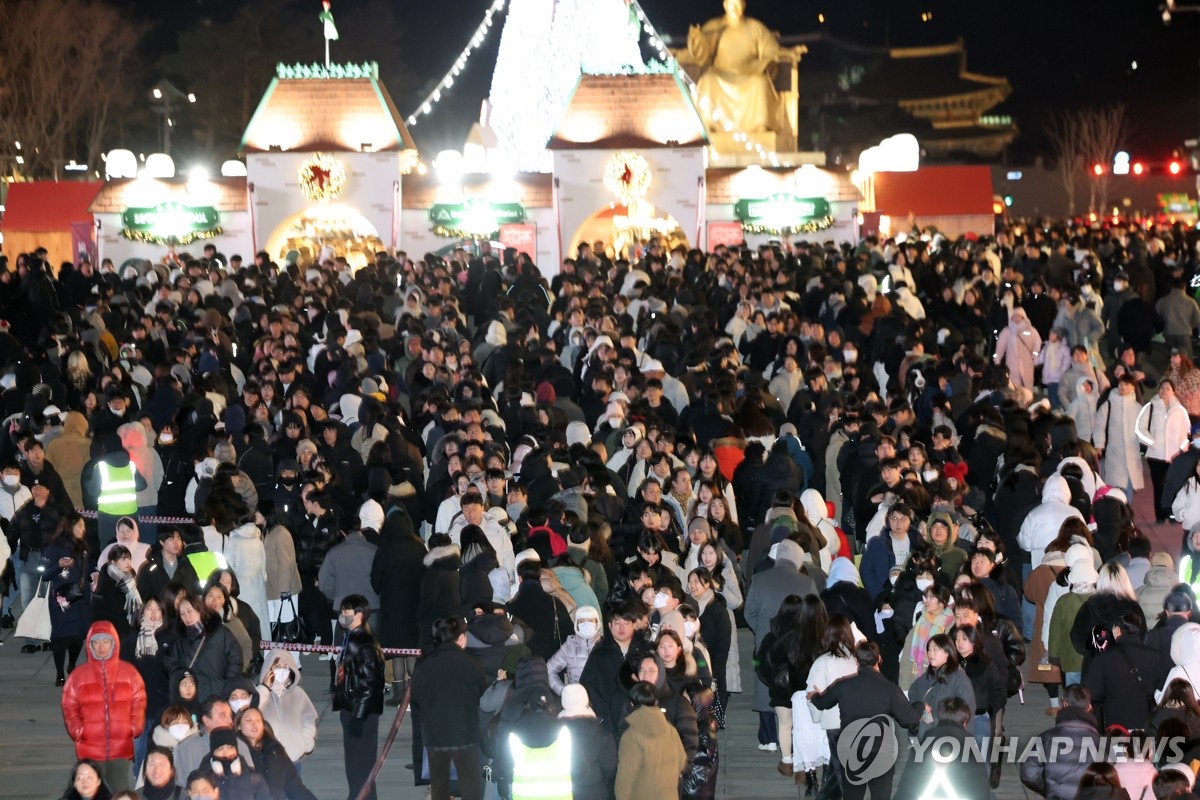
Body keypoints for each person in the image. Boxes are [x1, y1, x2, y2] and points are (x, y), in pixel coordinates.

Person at [809, 641, 922, 800]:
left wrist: (813, 696)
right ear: (879, 658)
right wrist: (920, 705)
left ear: (857, 660)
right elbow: (908, 718)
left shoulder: (844, 685)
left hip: (851, 752)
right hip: (880, 754)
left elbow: (822, 703)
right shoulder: (889, 688)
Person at [61, 621, 148, 794]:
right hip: (90, 747)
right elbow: (69, 705)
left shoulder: (129, 672)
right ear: (90, 645)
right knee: (91, 793)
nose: (101, 646)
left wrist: (133, 726)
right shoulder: (78, 676)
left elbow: (139, 700)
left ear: (113, 643)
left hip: (120, 747)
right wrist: (78, 730)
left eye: (106, 641)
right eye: (96, 642)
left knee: (119, 792)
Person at [410, 615, 489, 800]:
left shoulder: (423, 665)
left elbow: (416, 698)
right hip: (466, 734)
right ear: (461, 638)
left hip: (435, 735)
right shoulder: (472, 664)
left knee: (439, 785)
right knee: (470, 785)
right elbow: (482, 696)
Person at [332, 592, 385, 800]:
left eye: (346, 612)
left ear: (359, 615)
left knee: (361, 766)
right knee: (354, 766)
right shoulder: (351, 638)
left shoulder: (364, 644)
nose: (342, 615)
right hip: (351, 709)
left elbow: (370, 684)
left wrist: (358, 716)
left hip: (361, 714)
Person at [1083, 611, 1171, 731]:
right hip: (1148, 723)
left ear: (1118, 630)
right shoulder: (1157, 656)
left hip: (1116, 724)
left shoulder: (1103, 658)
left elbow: (1092, 691)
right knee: (1145, 749)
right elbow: (1166, 688)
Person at [893, 697, 990, 800]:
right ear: (965, 723)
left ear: (939, 718)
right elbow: (981, 793)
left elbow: (905, 790)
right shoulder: (971, 751)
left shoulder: (920, 748)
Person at [1019, 684, 1103, 800]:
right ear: (1089, 707)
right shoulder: (1100, 742)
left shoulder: (1046, 738)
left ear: (1064, 704)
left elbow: (1028, 773)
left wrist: (1048, 789)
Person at [164, 592, 243, 706]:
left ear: (199, 609)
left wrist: (226, 684)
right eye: (182, 614)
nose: (187, 617)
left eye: (190, 611)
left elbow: (236, 657)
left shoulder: (219, 632)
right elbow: (168, 660)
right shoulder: (180, 639)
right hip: (192, 699)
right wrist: (181, 674)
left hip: (218, 696)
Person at [614, 681, 688, 800]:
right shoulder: (670, 729)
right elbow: (682, 760)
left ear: (632, 704)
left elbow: (625, 778)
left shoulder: (631, 736)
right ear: (656, 702)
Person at [45, 511, 93, 685]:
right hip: (62, 601)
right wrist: (58, 565)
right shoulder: (56, 547)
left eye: (83, 525)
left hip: (81, 600)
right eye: (78, 525)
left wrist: (93, 576)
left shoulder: (83, 547)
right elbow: (44, 575)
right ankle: (60, 673)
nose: (82, 529)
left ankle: (72, 664)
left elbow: (87, 570)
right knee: (61, 638)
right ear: (69, 526)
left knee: (77, 637)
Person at [1135, 379, 1192, 522]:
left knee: (1173, 486)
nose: (1164, 391)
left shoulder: (1180, 410)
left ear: (1173, 391)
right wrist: (1152, 442)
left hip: (1174, 456)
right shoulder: (1150, 407)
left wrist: (1182, 447)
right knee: (1158, 487)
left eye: (1168, 388)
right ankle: (1160, 516)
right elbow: (1139, 429)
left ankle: (1172, 515)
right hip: (1155, 456)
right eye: (1162, 388)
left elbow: (1187, 432)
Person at [235, 706, 319, 800]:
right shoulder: (236, 753)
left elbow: (295, 788)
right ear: (239, 726)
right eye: (248, 720)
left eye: (258, 720)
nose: (254, 724)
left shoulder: (275, 752)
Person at [255, 649, 318, 764]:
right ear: (269, 669)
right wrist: (264, 688)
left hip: (293, 759)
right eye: (277, 666)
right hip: (266, 759)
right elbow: (251, 710)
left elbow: (309, 719)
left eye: (285, 667)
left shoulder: (298, 694)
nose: (281, 671)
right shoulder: (261, 694)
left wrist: (305, 742)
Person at [908, 633, 977, 739]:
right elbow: (912, 692)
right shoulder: (928, 676)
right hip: (925, 737)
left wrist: (932, 721)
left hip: (952, 739)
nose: (931, 653)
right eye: (929, 649)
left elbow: (964, 712)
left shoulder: (959, 678)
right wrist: (919, 711)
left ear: (947, 653)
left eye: (935, 649)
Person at [557, 684, 618, 800]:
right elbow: (610, 768)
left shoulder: (555, 733)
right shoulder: (603, 734)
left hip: (564, 793)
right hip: (595, 793)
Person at [546, 605, 602, 694]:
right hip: (577, 702)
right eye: (582, 621)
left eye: (590, 620)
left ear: (597, 623)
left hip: (603, 703)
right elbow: (549, 669)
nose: (586, 624)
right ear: (577, 624)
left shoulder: (606, 645)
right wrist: (564, 691)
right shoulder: (569, 646)